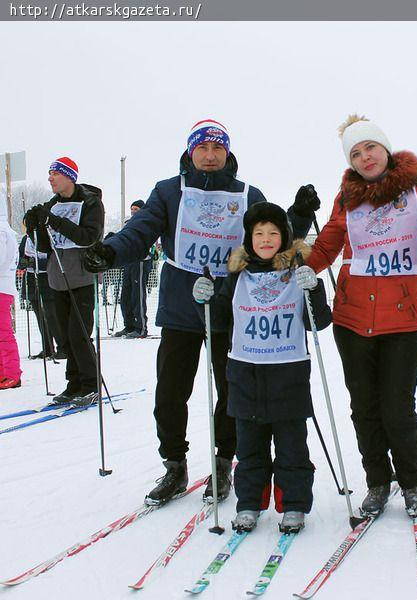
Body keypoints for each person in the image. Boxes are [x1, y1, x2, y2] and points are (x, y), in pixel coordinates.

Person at [83, 119, 319, 505]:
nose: (209, 156)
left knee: (232, 390)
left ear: (227, 153)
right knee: (171, 391)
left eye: (217, 149)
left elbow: (271, 235)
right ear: (190, 152)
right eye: (202, 149)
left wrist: (300, 215)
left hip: (230, 305)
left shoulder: (246, 193)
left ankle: (224, 461)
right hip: (181, 304)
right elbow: (140, 231)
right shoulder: (168, 191)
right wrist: (110, 252)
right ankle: (174, 464)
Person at [296, 115, 417, 518]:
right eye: (356, 152)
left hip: (404, 319)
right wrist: (303, 264)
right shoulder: (346, 198)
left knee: (397, 406)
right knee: (363, 407)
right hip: (352, 321)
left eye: (370, 147)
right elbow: (328, 244)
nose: (365, 156)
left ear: (385, 149)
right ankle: (377, 481)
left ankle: (411, 480)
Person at [193, 202, 331, 533]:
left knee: (292, 446)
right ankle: (249, 503)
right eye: (259, 234)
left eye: (273, 233)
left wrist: (314, 289)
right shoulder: (237, 277)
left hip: (289, 374)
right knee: (249, 447)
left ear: (284, 236)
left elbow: (320, 321)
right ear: (249, 239)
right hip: (246, 374)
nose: (266, 239)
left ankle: (294, 504)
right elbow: (219, 322)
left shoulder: (297, 274)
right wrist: (205, 301)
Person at [23, 157, 105, 405]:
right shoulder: (53, 204)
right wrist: (35, 226)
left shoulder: (91, 202)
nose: (50, 178)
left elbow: (89, 237)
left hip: (82, 275)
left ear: (68, 176)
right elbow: (46, 247)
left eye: (54, 174)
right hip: (58, 276)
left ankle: (91, 384)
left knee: (79, 333)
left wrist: (55, 221)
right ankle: (74, 383)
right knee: (64, 336)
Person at [17, 234, 66, 360]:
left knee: (52, 315)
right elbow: (21, 260)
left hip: (48, 280)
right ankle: (48, 347)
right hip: (31, 280)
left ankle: (63, 347)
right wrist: (28, 263)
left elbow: (53, 259)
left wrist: (33, 262)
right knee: (39, 315)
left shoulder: (48, 236)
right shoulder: (26, 239)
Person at [112, 200, 155, 338]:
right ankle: (129, 325)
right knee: (125, 296)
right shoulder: (129, 224)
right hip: (129, 262)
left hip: (141, 261)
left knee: (138, 295)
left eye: (136, 209)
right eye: (132, 209)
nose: (133, 211)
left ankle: (141, 327)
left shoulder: (146, 222)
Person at [0, 206, 21, 390]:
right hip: (4, 287)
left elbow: (1, 261)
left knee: (3, 333)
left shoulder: (1, 231)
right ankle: (4, 371)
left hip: (1, 287)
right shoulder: (6, 229)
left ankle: (12, 373)